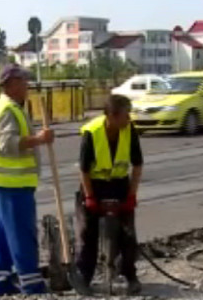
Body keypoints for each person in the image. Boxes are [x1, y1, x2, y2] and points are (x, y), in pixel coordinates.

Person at [0, 64, 53, 296]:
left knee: (4, 234)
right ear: (12, 83)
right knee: (22, 234)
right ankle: (32, 283)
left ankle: (0, 281)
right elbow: (8, 145)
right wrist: (39, 139)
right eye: (23, 80)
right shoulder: (7, 109)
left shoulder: (11, 106)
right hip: (11, 184)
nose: (27, 85)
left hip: (6, 183)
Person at [75, 94, 144, 294]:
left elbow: (137, 165)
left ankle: (129, 275)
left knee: (127, 232)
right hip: (94, 185)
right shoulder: (92, 132)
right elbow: (84, 169)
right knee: (87, 232)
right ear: (112, 116)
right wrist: (89, 198)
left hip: (119, 184)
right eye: (125, 115)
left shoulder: (128, 130)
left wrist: (131, 196)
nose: (129, 119)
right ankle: (83, 276)